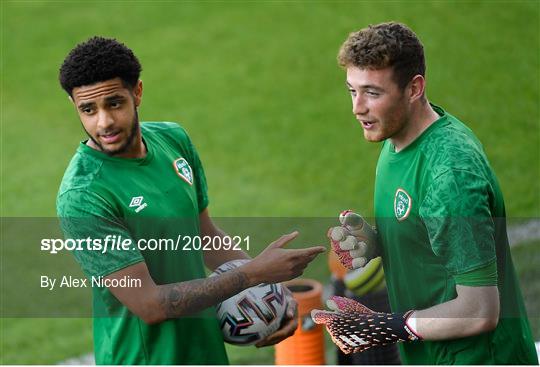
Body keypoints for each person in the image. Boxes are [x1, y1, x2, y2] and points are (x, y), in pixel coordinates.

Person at [56, 36, 325, 365]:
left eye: (114, 103)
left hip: (205, 351)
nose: (104, 122)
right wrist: (252, 274)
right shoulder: (83, 195)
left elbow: (203, 234)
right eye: (88, 109)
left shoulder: (173, 140)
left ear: (137, 92)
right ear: (75, 107)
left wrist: (270, 296)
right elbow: (149, 305)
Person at [312, 22, 538, 364]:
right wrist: (374, 244)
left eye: (372, 93)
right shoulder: (396, 140)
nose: (358, 108)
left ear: (414, 88)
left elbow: (480, 310)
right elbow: (428, 235)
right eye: (352, 91)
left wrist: (389, 326)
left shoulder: (450, 177)